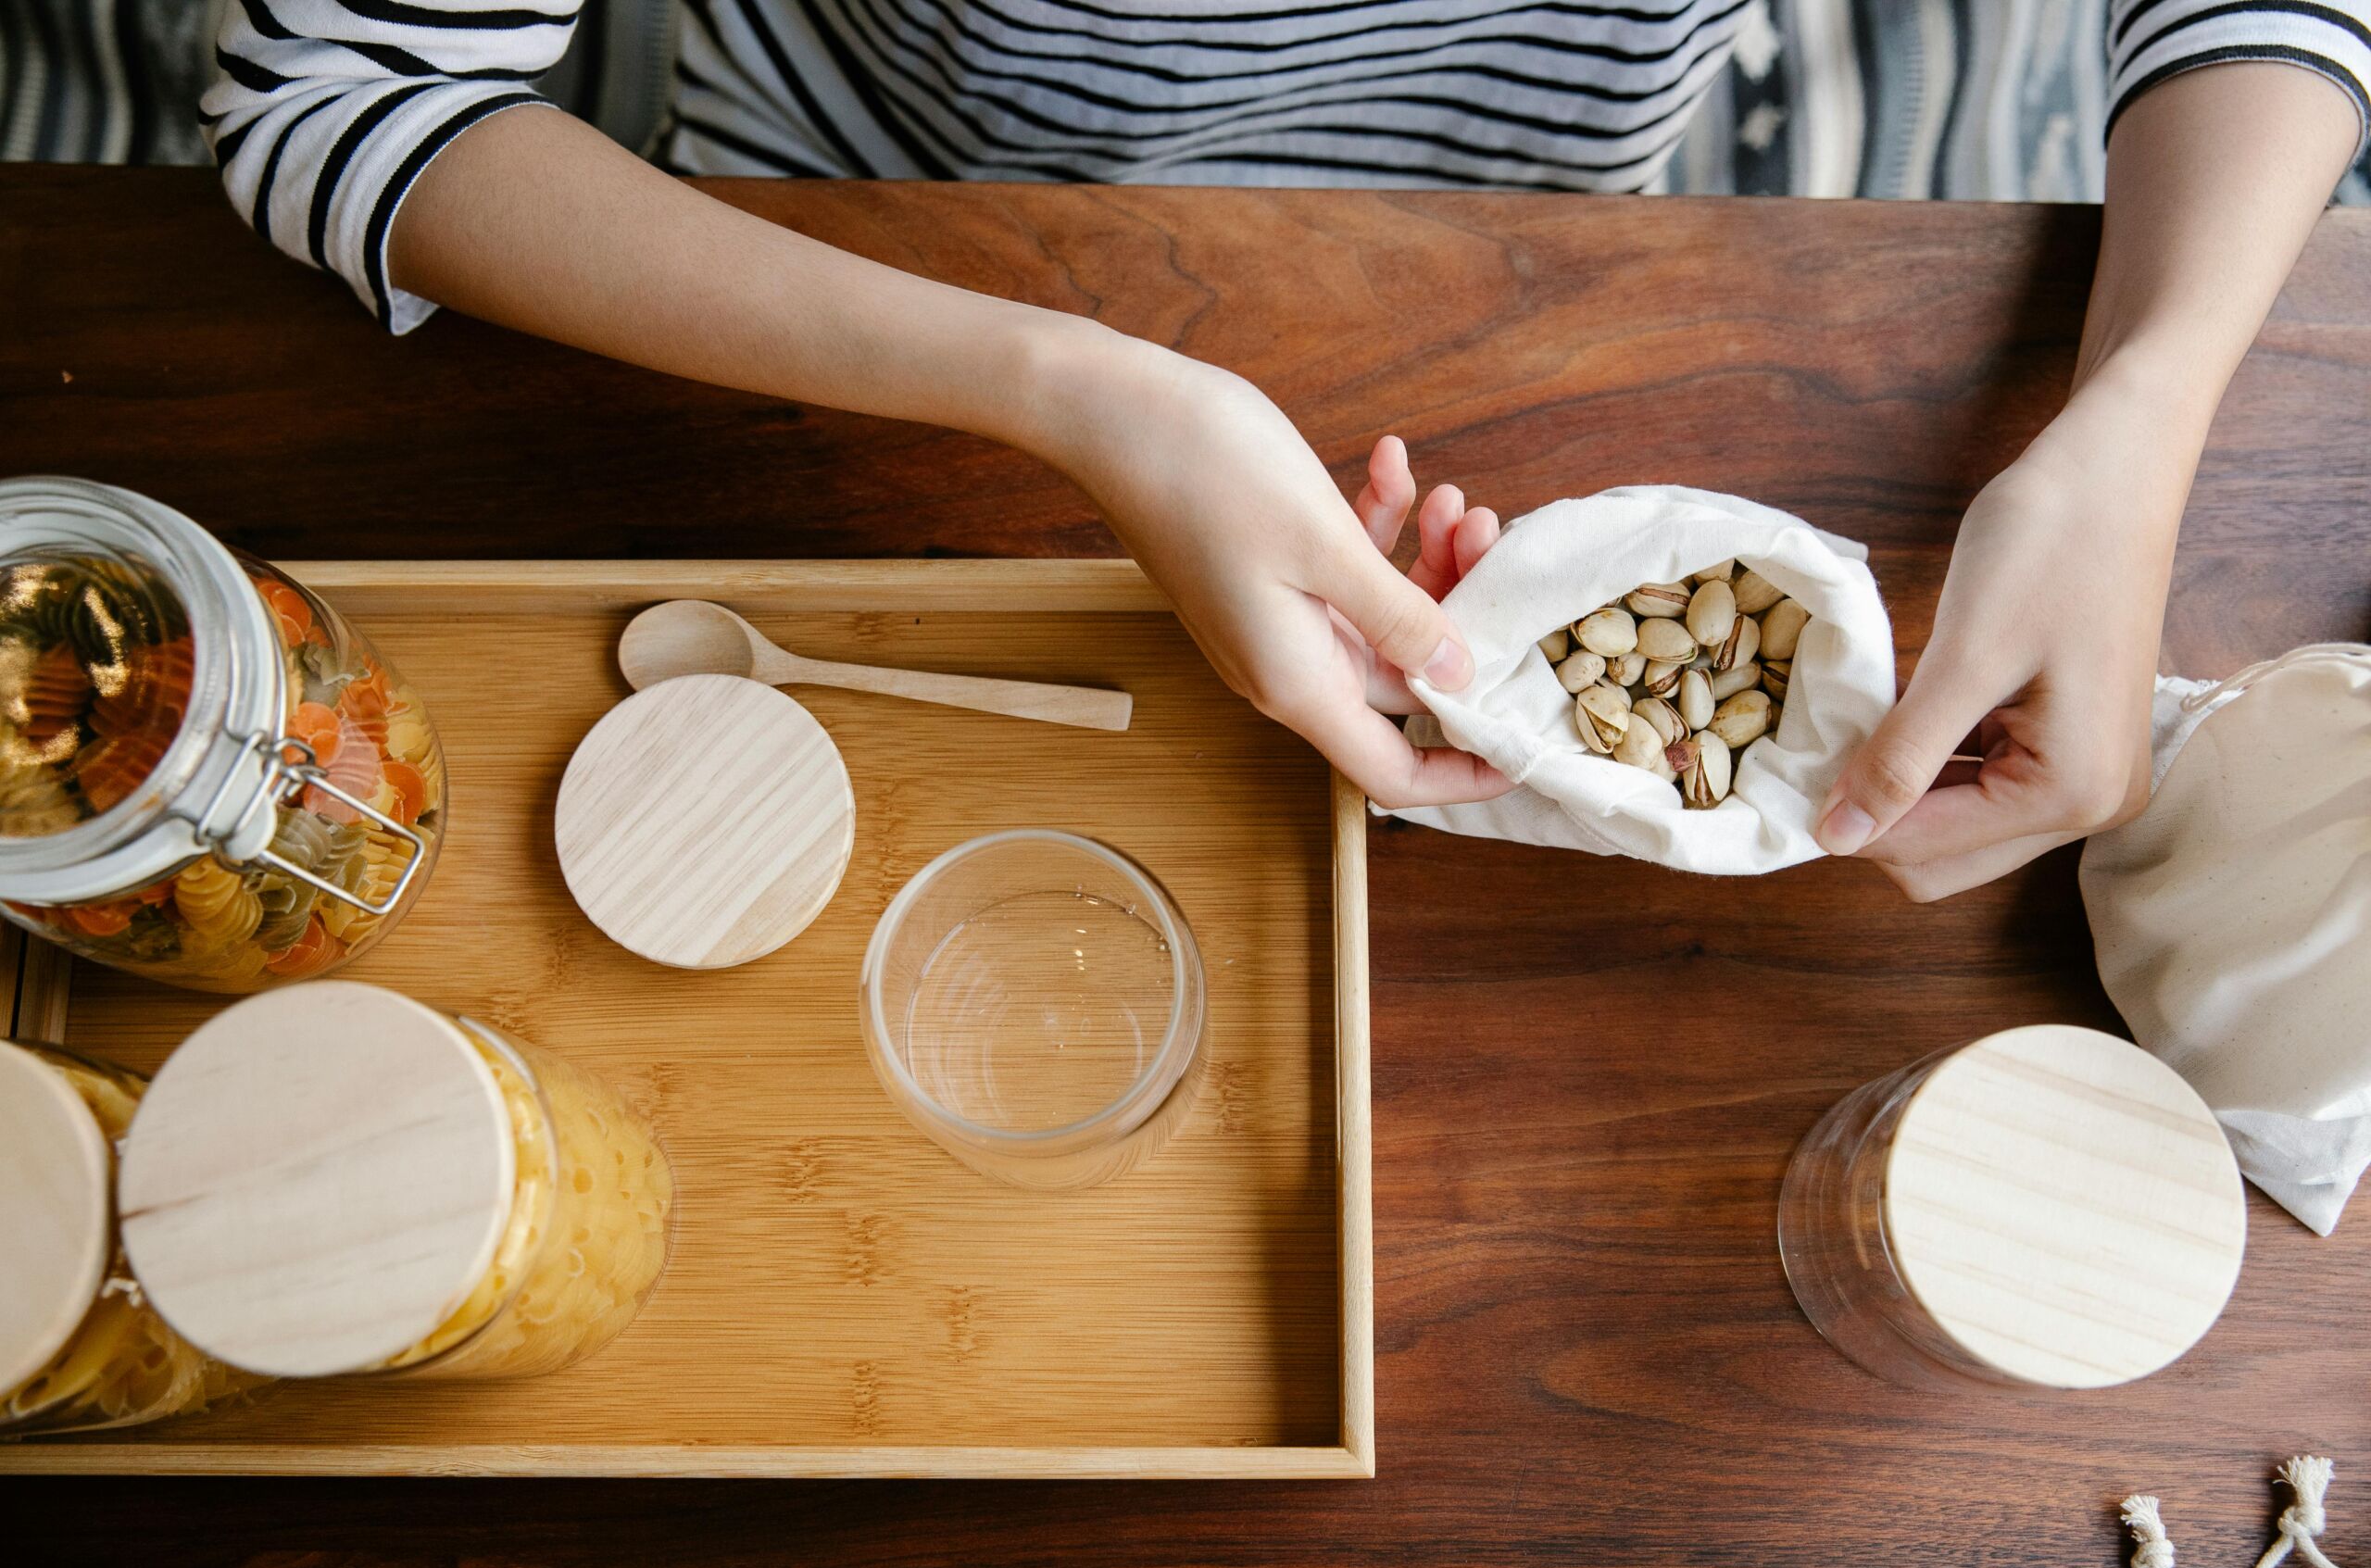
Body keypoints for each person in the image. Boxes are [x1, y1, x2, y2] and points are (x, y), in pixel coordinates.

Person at [202, 1, 2367, 897]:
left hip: (1561, 234)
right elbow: (339, 98)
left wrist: (2145, 414)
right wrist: (1082, 393)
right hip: (861, 244)